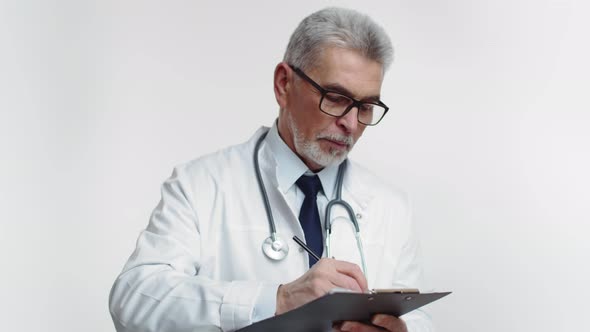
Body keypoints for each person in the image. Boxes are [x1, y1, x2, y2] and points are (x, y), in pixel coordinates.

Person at [109, 7, 433, 332]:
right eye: (335, 97)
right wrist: (277, 300)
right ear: (283, 84)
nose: (350, 123)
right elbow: (134, 297)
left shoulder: (392, 207)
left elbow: (419, 320)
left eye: (365, 107)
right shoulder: (200, 185)